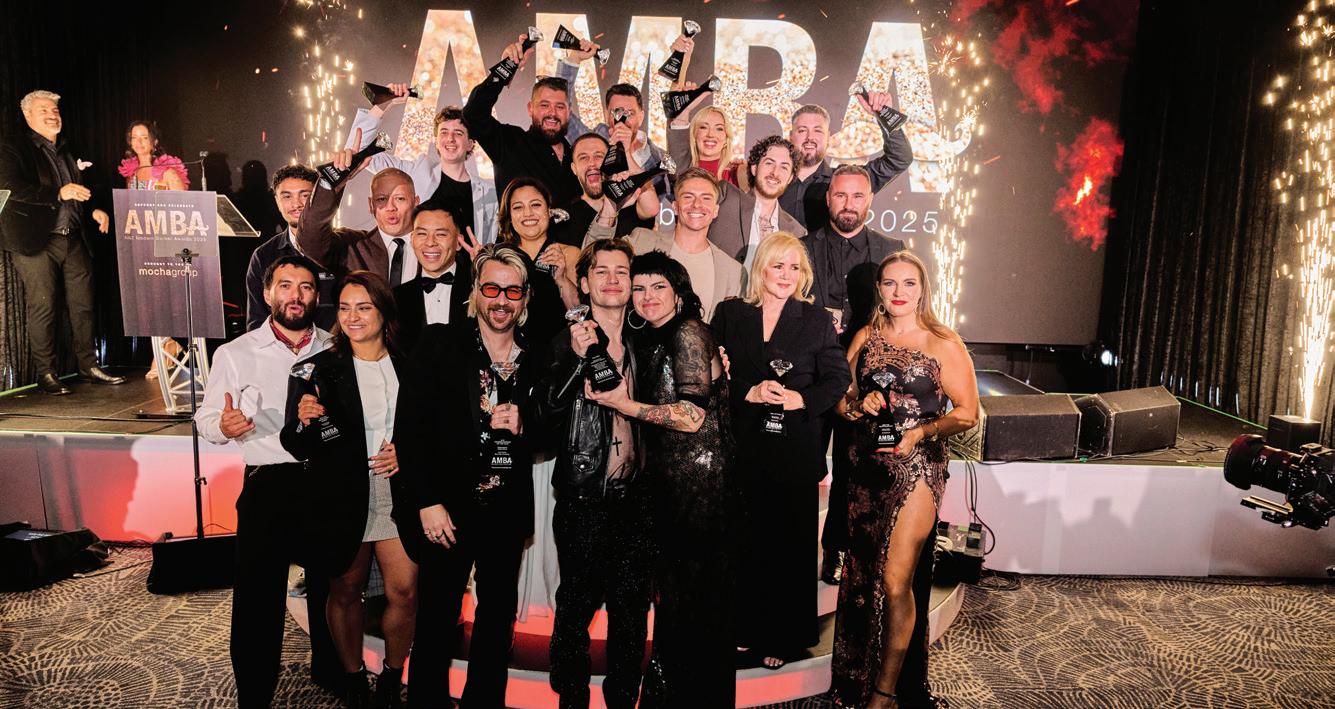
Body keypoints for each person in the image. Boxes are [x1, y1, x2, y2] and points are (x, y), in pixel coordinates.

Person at [584, 250, 737, 706]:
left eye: (658, 287)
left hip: (702, 489)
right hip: (668, 486)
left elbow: (691, 416)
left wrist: (624, 405)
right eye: (639, 288)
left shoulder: (689, 331)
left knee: (695, 606)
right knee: (674, 604)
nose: (647, 296)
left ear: (678, 293)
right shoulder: (650, 336)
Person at [395, 245, 542, 707]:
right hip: (447, 510)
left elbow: (551, 428)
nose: (501, 300)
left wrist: (526, 425)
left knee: (496, 624)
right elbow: (409, 429)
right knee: (437, 621)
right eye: (491, 288)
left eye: (512, 291)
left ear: (524, 298)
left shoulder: (535, 356)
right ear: (475, 293)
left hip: (505, 511)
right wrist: (426, 501)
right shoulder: (440, 343)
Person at [831, 251, 977, 709]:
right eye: (890, 283)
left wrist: (922, 432)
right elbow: (841, 397)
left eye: (908, 283)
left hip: (917, 469)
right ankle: (855, 678)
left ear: (922, 289)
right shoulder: (866, 337)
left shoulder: (942, 341)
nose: (898, 292)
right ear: (879, 289)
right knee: (861, 575)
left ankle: (886, 690)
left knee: (896, 582)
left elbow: (968, 413)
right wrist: (858, 405)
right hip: (865, 467)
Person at [194, 254, 338, 708]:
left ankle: (331, 672)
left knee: (331, 589)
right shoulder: (235, 353)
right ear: (268, 293)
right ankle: (254, 695)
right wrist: (223, 426)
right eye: (286, 286)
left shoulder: (337, 348)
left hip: (327, 482)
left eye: (306, 287)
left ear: (316, 296)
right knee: (258, 599)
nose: (296, 295)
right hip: (268, 484)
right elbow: (205, 418)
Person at [710, 232, 849, 670]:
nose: (786, 275)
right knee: (742, 542)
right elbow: (710, 373)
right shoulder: (731, 313)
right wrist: (745, 392)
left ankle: (782, 636)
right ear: (761, 268)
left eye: (795, 267)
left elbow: (838, 378)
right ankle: (741, 627)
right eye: (778, 265)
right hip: (742, 444)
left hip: (793, 451)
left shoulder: (816, 320)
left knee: (789, 547)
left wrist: (800, 399)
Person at [280, 270, 418, 709]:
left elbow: (432, 429)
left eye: (363, 307)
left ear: (383, 311)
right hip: (342, 497)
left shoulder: (411, 362)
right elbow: (294, 442)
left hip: (399, 492)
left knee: (404, 592)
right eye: (344, 308)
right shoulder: (317, 369)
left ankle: (392, 677)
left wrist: (407, 453)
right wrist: (303, 421)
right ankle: (354, 678)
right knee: (345, 590)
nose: (353, 317)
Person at [536, 239, 652, 709]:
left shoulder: (649, 339)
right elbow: (543, 418)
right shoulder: (563, 340)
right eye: (601, 271)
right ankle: (571, 699)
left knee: (631, 612)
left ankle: (623, 699)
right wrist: (574, 359)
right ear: (583, 283)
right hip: (583, 497)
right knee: (575, 607)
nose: (612, 280)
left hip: (638, 499)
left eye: (622, 271)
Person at [804, 164, 908, 585]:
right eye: (841, 195)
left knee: (851, 472)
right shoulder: (802, 248)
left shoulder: (892, 249)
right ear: (829, 199)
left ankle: (837, 550)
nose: (849, 204)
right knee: (806, 467)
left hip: (865, 381)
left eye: (857, 196)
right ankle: (794, 551)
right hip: (811, 376)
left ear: (870, 200)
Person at [0, 89, 122, 395]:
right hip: (35, 240)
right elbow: (10, 187)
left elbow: (81, 188)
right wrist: (57, 192)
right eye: (44, 110)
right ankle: (46, 373)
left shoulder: (69, 148)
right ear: (27, 115)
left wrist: (93, 209)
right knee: (43, 306)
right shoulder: (13, 147)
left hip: (74, 236)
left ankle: (88, 365)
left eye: (55, 110)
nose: (52, 115)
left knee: (83, 305)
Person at [589, 168, 742, 321]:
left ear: (716, 210)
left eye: (706, 198)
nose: (696, 204)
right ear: (675, 206)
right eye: (688, 197)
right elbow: (590, 261)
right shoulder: (642, 242)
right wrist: (610, 209)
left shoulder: (732, 271)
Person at [346, 91, 499, 243]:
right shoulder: (415, 172)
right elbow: (358, 151)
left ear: (470, 144)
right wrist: (384, 102)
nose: (450, 139)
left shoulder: (490, 192)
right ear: (436, 141)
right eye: (444, 132)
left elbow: (492, 244)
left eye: (458, 133)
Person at [466, 176, 580, 350]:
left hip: (557, 352)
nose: (528, 213)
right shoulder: (499, 258)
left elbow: (580, 314)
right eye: (518, 207)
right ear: (509, 216)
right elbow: (478, 312)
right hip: (506, 352)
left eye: (535, 205)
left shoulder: (569, 254)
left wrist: (562, 279)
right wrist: (481, 268)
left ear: (549, 210)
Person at [464, 39, 581, 205]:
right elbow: (473, 114)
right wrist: (506, 68)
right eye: (544, 105)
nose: (552, 113)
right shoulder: (509, 143)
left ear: (569, 112)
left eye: (560, 106)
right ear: (530, 108)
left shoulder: (579, 155)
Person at [781, 98, 913, 233]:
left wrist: (885, 115)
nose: (810, 137)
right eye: (802, 130)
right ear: (790, 136)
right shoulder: (773, 179)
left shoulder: (849, 180)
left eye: (818, 131)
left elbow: (899, 158)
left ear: (828, 137)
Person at [298, 148, 421, 287]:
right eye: (381, 199)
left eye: (400, 198)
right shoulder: (352, 246)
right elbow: (309, 240)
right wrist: (330, 180)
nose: (390, 207)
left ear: (416, 202)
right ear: (371, 204)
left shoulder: (434, 245)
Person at [244, 164, 338, 331]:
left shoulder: (344, 246)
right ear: (277, 201)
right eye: (287, 196)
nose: (297, 204)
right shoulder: (264, 255)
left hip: (335, 344)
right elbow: (257, 323)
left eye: (305, 195)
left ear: (318, 198)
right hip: (281, 347)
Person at [707, 135, 806, 269]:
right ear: (754, 168)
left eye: (784, 167)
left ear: (789, 178)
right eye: (769, 163)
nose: (775, 173)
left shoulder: (797, 232)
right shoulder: (725, 197)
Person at [549, 133, 659, 247]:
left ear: (610, 161)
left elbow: (651, 208)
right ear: (574, 168)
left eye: (599, 156)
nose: (592, 163)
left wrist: (626, 151)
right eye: (583, 157)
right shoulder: (564, 217)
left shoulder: (630, 200)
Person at [391, 200, 472, 353]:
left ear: (458, 242)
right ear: (412, 239)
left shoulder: (479, 288)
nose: (430, 243)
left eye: (440, 234)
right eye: (422, 234)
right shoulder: (396, 298)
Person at [117, 120, 188, 190]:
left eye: (145, 138)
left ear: (155, 142)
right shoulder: (131, 172)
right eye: (134, 137)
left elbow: (181, 197)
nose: (139, 142)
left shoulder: (168, 172)